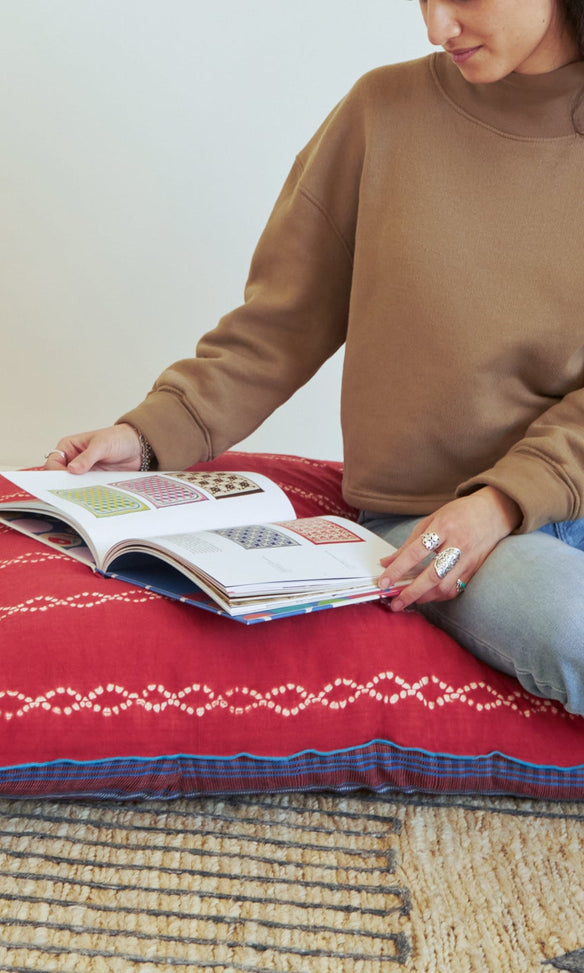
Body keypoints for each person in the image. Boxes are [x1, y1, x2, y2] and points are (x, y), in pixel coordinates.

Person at [43, 0, 584, 713]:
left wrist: (505, 502)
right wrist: (149, 435)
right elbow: (283, 321)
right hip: (429, 518)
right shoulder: (384, 112)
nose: (436, 27)